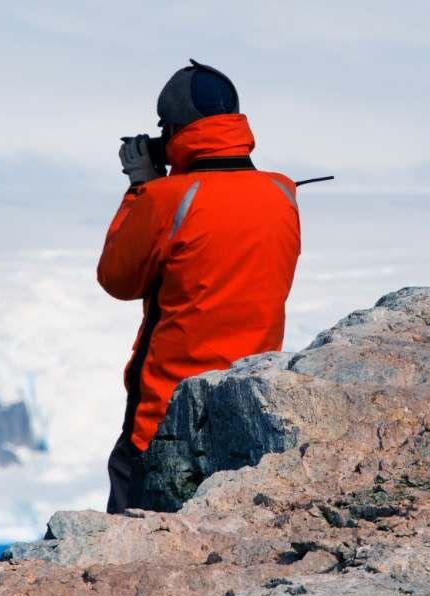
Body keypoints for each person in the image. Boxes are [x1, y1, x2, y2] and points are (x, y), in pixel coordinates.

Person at [97, 60, 301, 513]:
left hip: (165, 415)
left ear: (175, 130)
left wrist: (140, 188)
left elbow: (118, 279)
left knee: (135, 532)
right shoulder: (283, 194)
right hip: (247, 405)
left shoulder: (169, 198)